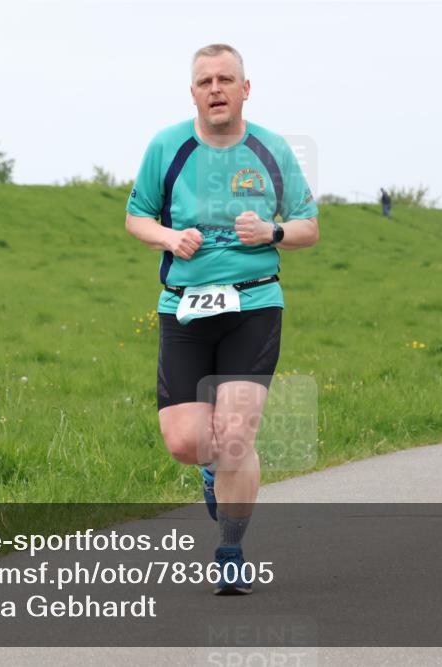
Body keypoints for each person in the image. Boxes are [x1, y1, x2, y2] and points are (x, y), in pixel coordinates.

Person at [125, 44, 319, 594]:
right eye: (205, 81)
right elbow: (136, 217)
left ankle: (230, 551)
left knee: (235, 435)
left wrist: (272, 232)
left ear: (245, 89)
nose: (215, 89)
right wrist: (169, 237)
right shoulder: (167, 146)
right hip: (183, 306)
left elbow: (308, 226)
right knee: (186, 443)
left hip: (252, 304)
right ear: (193, 92)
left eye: (226, 79)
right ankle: (211, 474)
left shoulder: (271, 149)